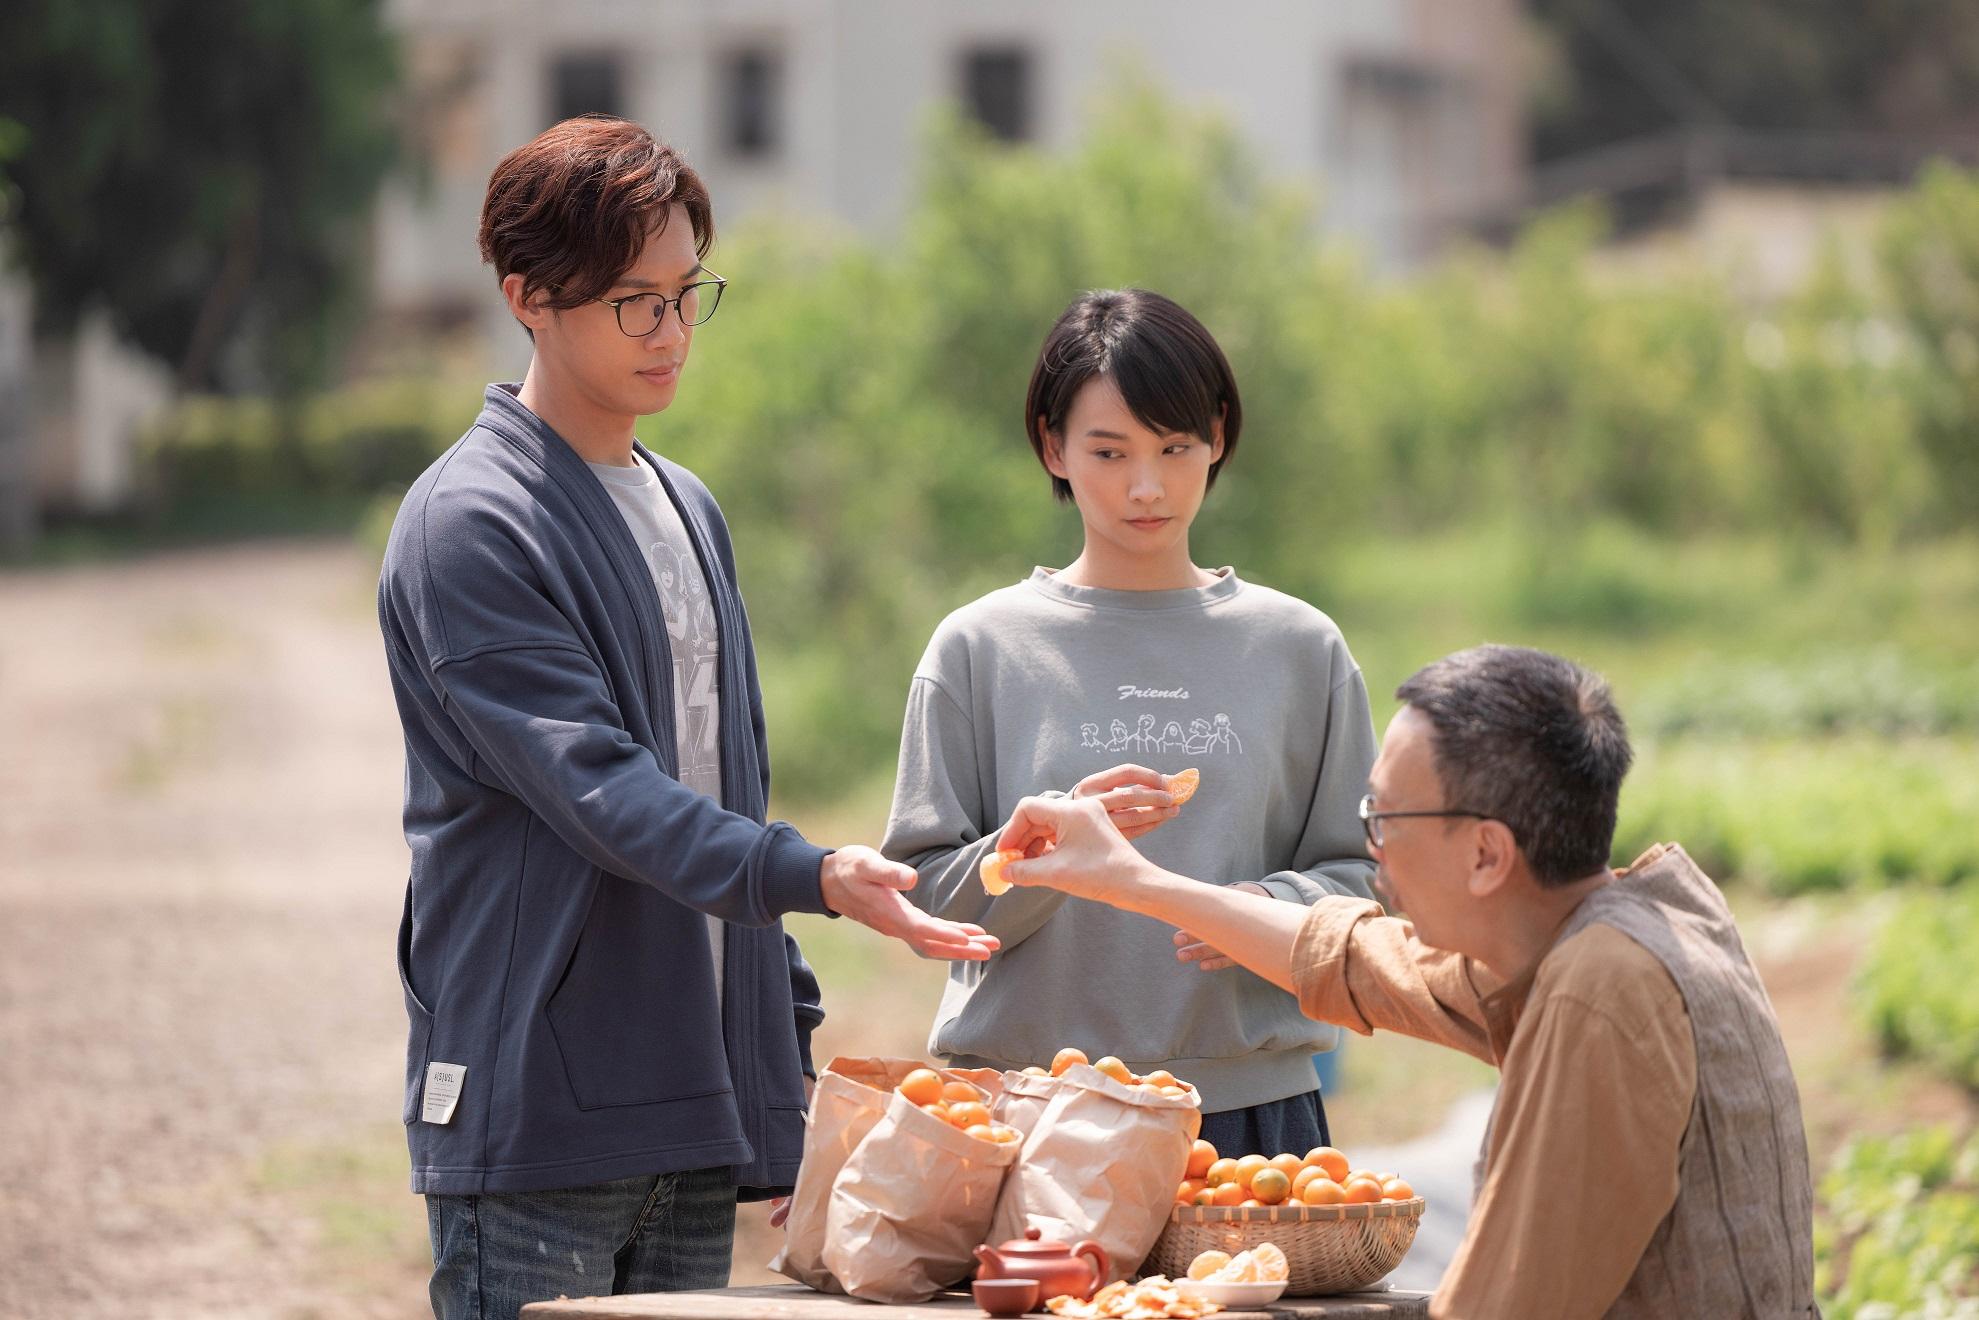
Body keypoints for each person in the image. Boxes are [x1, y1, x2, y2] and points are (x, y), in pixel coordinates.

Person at [377, 115, 997, 1320]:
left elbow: (718, 785)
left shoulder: (684, 504)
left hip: (691, 1096)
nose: (669, 334)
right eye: (632, 303)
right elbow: (603, 790)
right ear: (527, 297)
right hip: (544, 1111)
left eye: (684, 294)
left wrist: (780, 1047)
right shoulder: (471, 523)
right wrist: (812, 874)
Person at [991, 644, 1817, 1318]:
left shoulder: (1597, 994)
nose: (1370, 849)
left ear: (1486, 853)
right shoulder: (1604, 930)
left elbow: (1511, 1300)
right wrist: (1132, 880)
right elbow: (1358, 959)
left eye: (1382, 819)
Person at [881, 288, 1377, 1158]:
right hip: (1026, 1110)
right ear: (1052, 445)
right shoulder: (979, 647)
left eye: (1174, 448)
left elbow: (1367, 884)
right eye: (1108, 452)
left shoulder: (1300, 648)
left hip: (1248, 1114)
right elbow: (921, 902)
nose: (1146, 487)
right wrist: (1037, 851)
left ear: (1217, 436)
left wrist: (1263, 909)